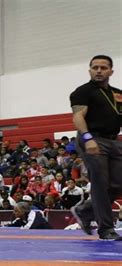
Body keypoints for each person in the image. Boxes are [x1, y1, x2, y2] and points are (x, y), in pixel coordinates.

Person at [69, 55, 122, 241]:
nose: (99, 70)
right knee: (101, 185)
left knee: (118, 183)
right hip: (92, 138)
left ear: (111, 71)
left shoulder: (118, 94)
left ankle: (85, 210)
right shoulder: (83, 91)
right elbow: (78, 116)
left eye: (103, 67)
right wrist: (87, 137)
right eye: (95, 67)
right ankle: (106, 229)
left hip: (114, 141)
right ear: (90, 70)